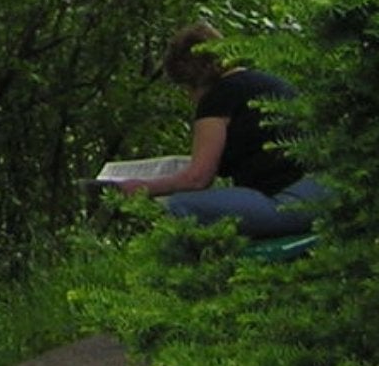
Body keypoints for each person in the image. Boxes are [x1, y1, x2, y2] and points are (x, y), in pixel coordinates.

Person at [115, 21, 327, 237]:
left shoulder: (218, 99)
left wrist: (142, 188)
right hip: (322, 189)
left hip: (287, 202)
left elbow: (198, 179)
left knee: (180, 206)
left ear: (191, 80)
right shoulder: (267, 82)